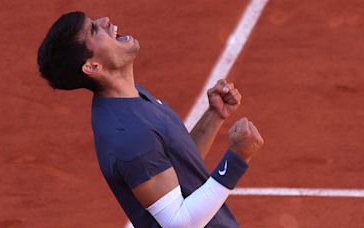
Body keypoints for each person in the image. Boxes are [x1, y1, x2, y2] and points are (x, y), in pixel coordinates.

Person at [37, 11, 264, 228]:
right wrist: (236, 159)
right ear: (93, 66)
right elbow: (179, 223)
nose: (105, 20)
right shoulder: (128, 134)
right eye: (95, 29)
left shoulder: (132, 96)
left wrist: (213, 116)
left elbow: (177, 165)